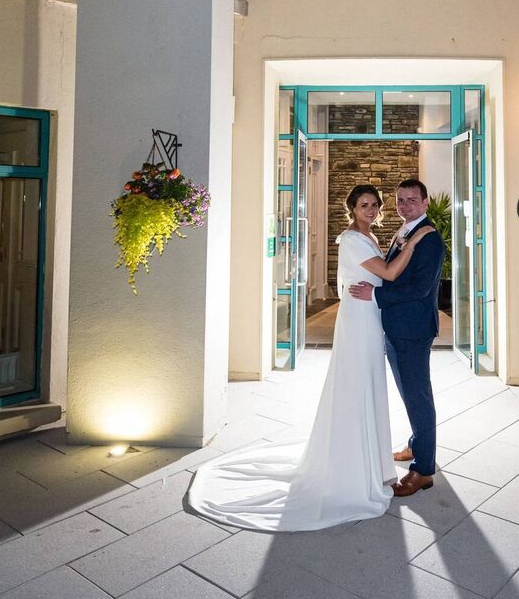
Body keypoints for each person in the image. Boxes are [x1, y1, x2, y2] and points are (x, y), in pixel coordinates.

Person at [187, 183, 434, 531]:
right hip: (361, 321)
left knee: (368, 384)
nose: (372, 210)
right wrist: (415, 240)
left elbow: (389, 279)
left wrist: (404, 247)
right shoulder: (353, 239)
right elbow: (390, 274)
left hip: (370, 317)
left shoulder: (371, 237)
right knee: (357, 383)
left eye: (376, 205)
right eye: (365, 205)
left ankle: (371, 456)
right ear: (352, 209)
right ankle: (354, 462)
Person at [349, 177, 445, 498]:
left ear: (425, 202)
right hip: (397, 328)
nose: (405, 205)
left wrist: (375, 295)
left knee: (418, 396)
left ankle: (423, 470)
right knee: (410, 393)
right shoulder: (405, 232)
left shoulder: (429, 239)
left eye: (412, 200)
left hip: (412, 330)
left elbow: (419, 288)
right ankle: (417, 445)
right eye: (400, 200)